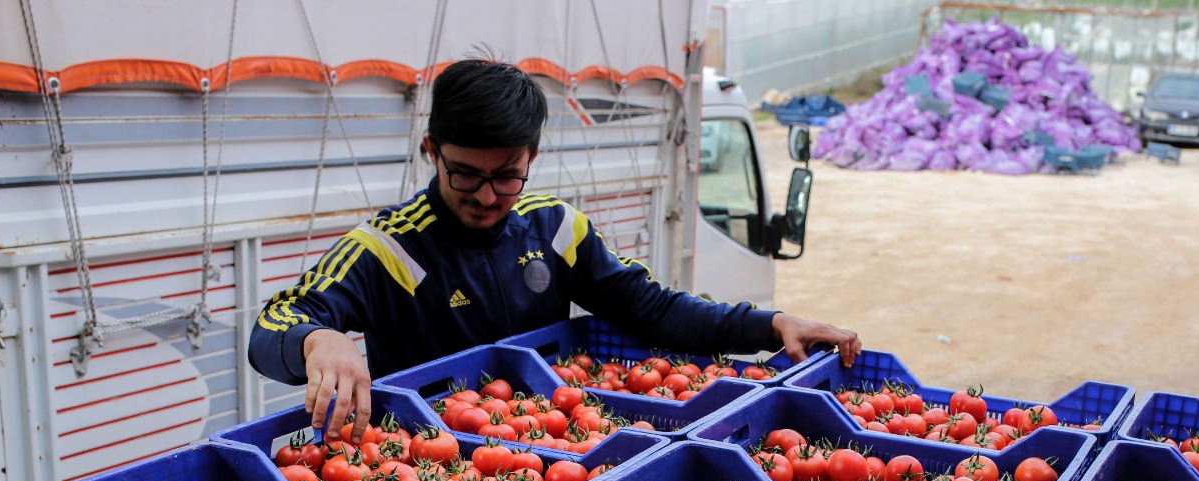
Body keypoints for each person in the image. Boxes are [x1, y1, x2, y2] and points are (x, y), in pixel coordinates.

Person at [249, 58, 861, 440]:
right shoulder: (387, 249)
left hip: (553, 447)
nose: (488, 196)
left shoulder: (556, 229)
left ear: (532, 158)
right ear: (432, 151)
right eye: (465, 173)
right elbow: (272, 325)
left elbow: (650, 307)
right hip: (431, 460)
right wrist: (315, 339)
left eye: (508, 175)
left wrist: (771, 322)